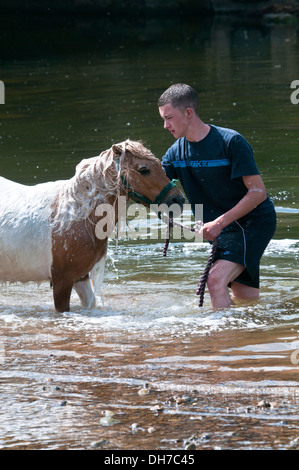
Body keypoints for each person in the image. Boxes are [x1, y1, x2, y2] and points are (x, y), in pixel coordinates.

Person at [158, 83, 276, 308]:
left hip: (253, 223)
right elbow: (152, 182)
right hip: (225, 231)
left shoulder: (230, 141)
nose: (165, 125)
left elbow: (258, 192)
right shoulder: (175, 153)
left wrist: (219, 222)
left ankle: (222, 339)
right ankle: (255, 336)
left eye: (169, 118)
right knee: (246, 299)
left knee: (215, 281)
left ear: (188, 113)